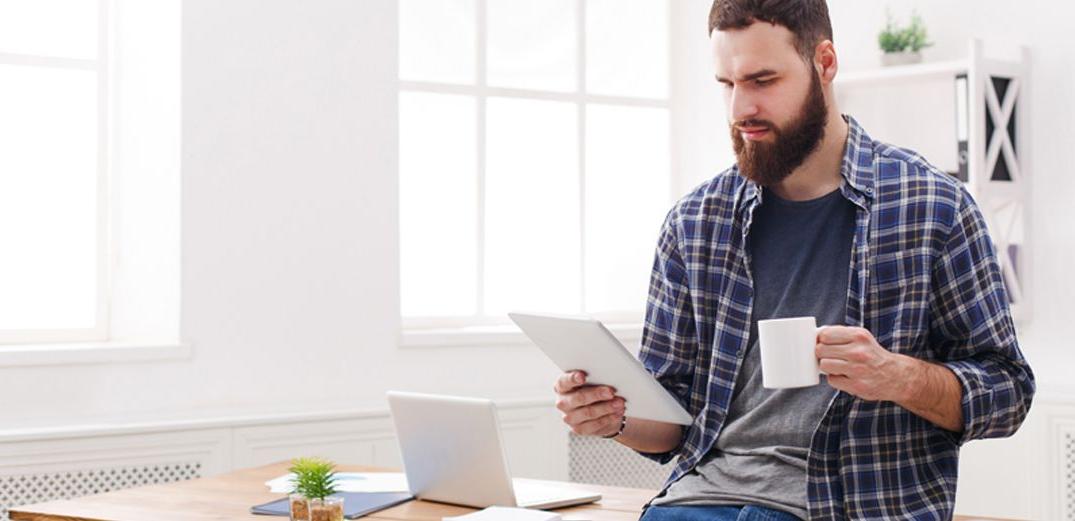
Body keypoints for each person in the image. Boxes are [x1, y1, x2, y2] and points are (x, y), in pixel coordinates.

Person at [552, 1, 1036, 519]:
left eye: (763, 80)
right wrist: (614, 418)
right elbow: (672, 424)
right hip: (699, 502)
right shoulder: (695, 221)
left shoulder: (932, 206)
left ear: (824, 63)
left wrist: (898, 377)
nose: (741, 108)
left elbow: (1007, 393)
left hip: (853, 505)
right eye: (727, 84)